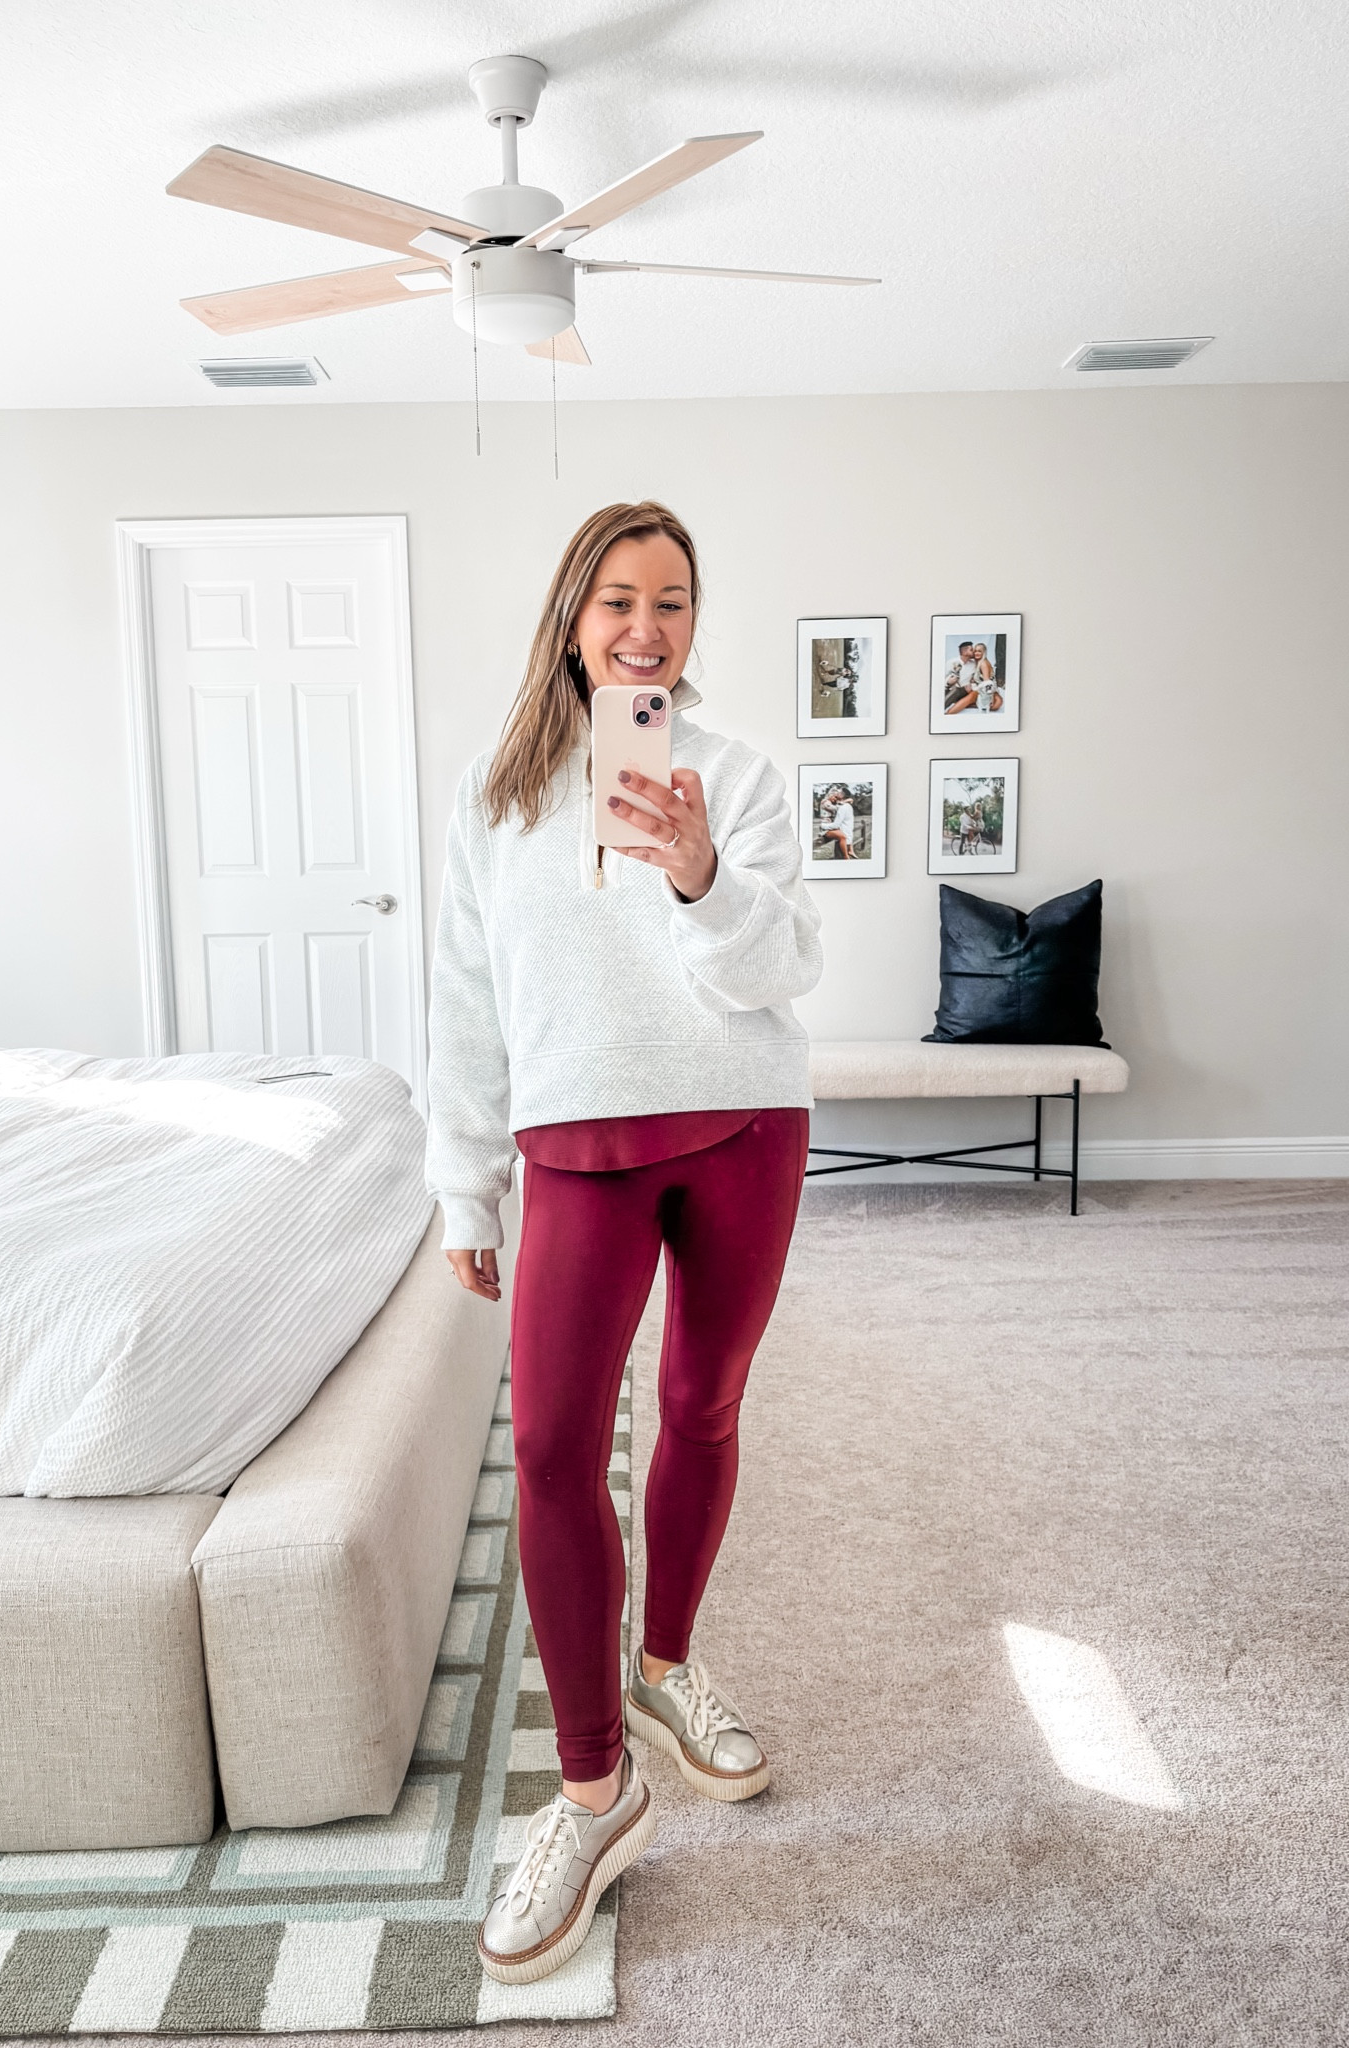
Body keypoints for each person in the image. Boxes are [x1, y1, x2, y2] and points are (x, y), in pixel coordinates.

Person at [427, 502, 822, 1985]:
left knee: (702, 1403)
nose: (645, 627)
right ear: (570, 617)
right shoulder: (492, 791)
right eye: (616, 600)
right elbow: (463, 1000)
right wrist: (462, 1184)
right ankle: (594, 1793)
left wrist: (702, 874)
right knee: (547, 1451)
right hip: (573, 1141)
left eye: (670, 601)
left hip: (740, 1123)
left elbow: (787, 970)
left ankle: (665, 1671)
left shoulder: (743, 777)